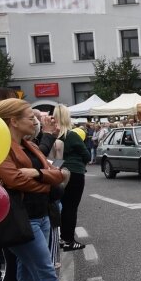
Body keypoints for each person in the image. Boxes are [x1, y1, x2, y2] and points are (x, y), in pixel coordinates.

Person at [0, 99, 106, 281]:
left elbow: (57, 172)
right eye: (28, 116)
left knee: (27, 279)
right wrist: (46, 179)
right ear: (13, 121)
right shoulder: (3, 149)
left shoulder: (28, 145)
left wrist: (37, 175)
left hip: (41, 216)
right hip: (22, 219)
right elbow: (15, 180)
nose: (35, 120)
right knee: (46, 273)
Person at [52, 104, 90, 252]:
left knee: (61, 205)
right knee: (71, 207)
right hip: (74, 172)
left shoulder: (52, 136)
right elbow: (86, 155)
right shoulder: (71, 135)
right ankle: (69, 240)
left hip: (57, 171)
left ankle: (62, 238)